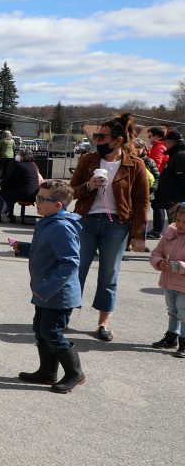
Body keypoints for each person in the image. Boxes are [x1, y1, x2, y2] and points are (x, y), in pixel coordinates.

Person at [68, 113, 149, 342]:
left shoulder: (135, 165)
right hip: (87, 221)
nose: (97, 141)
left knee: (109, 274)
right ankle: (64, 314)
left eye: (101, 137)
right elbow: (71, 192)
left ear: (118, 139)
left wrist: (138, 235)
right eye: (96, 136)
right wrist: (88, 185)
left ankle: (103, 322)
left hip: (118, 225)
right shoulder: (88, 160)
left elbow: (142, 201)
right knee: (76, 269)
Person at [10, 180, 87, 393]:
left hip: (58, 294)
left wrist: (46, 288)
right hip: (44, 292)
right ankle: (47, 372)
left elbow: (70, 262)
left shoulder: (61, 227)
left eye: (42, 199)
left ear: (58, 205)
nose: (38, 202)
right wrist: (24, 248)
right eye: (38, 197)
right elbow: (43, 250)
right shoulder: (48, 222)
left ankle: (75, 372)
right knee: (40, 331)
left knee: (51, 332)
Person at [149, 202, 185, 358]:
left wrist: (178, 266)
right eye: (178, 220)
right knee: (172, 311)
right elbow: (157, 252)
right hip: (169, 282)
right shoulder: (170, 233)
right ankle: (172, 336)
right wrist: (159, 262)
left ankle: (184, 341)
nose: (180, 224)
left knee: (183, 313)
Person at [0, 146, 41, 222]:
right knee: (9, 192)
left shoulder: (19, 166)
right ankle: (10, 215)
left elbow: (9, 179)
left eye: (20, 154)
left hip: (24, 194)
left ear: (24, 156)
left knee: (0, 193)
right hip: (33, 194)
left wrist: (3, 185)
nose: (18, 156)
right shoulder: (33, 165)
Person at [149, 129, 179, 239]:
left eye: (150, 136)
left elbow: (156, 165)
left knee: (160, 207)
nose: (149, 138)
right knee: (164, 208)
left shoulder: (160, 148)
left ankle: (158, 231)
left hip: (164, 184)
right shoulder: (162, 148)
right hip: (166, 184)